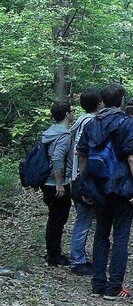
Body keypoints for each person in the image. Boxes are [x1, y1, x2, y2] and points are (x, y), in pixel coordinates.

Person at [76, 83, 133, 300]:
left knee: (101, 235)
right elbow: (132, 156)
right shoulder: (128, 123)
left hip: (98, 186)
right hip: (122, 186)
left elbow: (82, 154)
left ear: (103, 101)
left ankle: (97, 284)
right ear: (121, 100)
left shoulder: (91, 124)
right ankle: (114, 287)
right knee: (121, 236)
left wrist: (84, 183)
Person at [68, 89, 102, 275]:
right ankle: (78, 260)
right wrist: (85, 180)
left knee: (87, 219)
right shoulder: (89, 122)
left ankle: (81, 257)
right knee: (83, 220)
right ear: (98, 103)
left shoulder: (80, 120)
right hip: (84, 179)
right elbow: (81, 151)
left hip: (78, 177)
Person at [39, 100, 73, 266]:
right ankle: (54, 255)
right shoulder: (63, 135)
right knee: (58, 218)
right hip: (56, 183)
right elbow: (58, 158)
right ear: (67, 114)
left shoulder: (49, 132)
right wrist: (60, 183)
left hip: (46, 181)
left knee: (54, 218)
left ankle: (52, 252)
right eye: (71, 111)